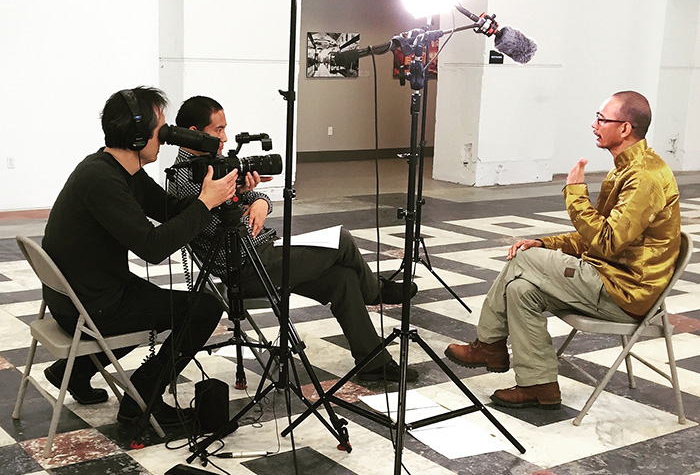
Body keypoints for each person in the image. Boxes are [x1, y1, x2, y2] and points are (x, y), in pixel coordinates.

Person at [444, 91, 681, 409]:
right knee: (521, 288)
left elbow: (606, 242)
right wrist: (547, 243)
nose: (594, 124)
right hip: (609, 276)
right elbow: (597, 235)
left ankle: (487, 344)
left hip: (624, 292)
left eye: (602, 118)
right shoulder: (626, 169)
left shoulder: (644, 178)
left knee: (524, 260)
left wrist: (575, 193)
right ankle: (539, 386)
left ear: (625, 128)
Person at [169, 95, 419, 382]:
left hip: (263, 254)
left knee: (343, 280)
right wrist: (236, 195)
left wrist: (259, 200)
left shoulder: (214, 162)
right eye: (218, 130)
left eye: (225, 129)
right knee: (343, 240)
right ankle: (376, 292)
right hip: (246, 268)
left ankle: (372, 362)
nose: (224, 137)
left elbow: (257, 195)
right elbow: (213, 226)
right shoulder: (185, 176)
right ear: (193, 131)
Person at [41, 86, 240, 426]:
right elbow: (153, 247)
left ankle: (73, 372)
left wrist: (220, 195)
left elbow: (168, 209)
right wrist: (205, 203)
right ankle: (141, 400)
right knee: (204, 308)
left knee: (158, 303)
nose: (165, 137)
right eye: (160, 128)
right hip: (90, 305)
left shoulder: (112, 169)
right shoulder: (105, 181)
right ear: (137, 137)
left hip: (82, 291)